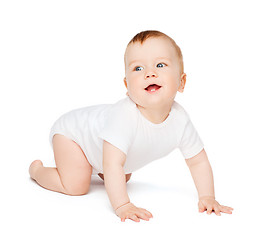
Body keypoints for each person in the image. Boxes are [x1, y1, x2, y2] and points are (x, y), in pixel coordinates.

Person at [29, 30, 233, 222]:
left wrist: (207, 196)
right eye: (138, 68)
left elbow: (197, 161)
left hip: (101, 147)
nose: (150, 73)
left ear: (181, 82)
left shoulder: (180, 120)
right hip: (72, 135)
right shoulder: (124, 117)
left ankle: (95, 168)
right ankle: (38, 171)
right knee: (77, 185)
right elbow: (111, 164)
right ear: (127, 86)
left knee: (121, 176)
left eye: (160, 65)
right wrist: (123, 205)